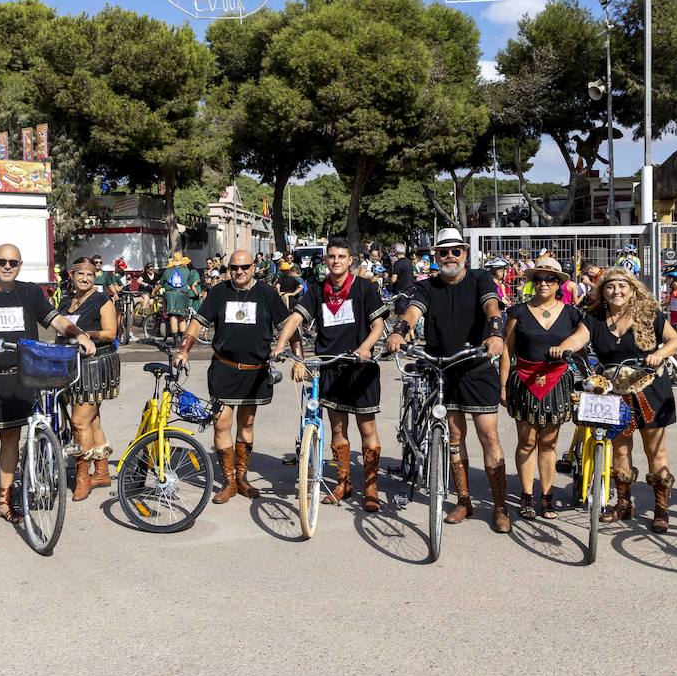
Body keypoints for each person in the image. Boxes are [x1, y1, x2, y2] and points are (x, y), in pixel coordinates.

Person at [0, 244, 96, 540]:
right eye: (2, 261)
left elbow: (55, 319)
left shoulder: (30, 292)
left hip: (21, 378)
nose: (7, 266)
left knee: (11, 441)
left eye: (13, 262)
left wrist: (78, 333)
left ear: (20, 264)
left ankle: (4, 502)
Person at [385, 228, 510, 533]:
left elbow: (491, 305)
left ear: (465, 253)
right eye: (444, 252)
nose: (450, 256)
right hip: (442, 367)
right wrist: (400, 330)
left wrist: (495, 331)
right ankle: (463, 500)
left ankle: (500, 506)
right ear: (436, 256)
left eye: (456, 251)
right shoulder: (427, 286)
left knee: (488, 436)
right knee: (454, 436)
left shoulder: (479, 278)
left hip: (477, 365)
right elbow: (414, 311)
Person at [553, 267, 677, 531]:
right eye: (610, 287)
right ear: (603, 291)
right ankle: (623, 503)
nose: (617, 291)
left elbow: (675, 340)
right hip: (614, 391)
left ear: (632, 289)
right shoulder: (595, 318)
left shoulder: (648, 315)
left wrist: (660, 354)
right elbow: (578, 339)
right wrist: (561, 348)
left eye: (622, 286)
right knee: (620, 449)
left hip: (649, 389)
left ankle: (661, 508)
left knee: (654, 451)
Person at [273, 237, 390, 511]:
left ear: (350, 261)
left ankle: (371, 487)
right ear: (325, 260)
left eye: (341, 256)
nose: (336, 261)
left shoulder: (364, 288)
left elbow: (378, 324)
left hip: (361, 368)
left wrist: (365, 347)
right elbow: (296, 318)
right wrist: (280, 346)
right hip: (330, 366)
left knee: (367, 428)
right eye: (331, 257)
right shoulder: (316, 290)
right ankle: (343, 481)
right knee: (337, 428)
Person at [175, 250, 290, 503]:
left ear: (253, 267)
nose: (239, 272)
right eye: (234, 268)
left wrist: (298, 358)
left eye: (244, 267)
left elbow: (288, 326)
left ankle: (242, 477)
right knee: (221, 423)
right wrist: (184, 350)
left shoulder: (267, 293)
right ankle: (228, 481)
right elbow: (198, 323)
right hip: (224, 368)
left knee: (246, 424)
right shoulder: (219, 292)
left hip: (255, 371)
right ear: (228, 269)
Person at [499, 256, 582, 521]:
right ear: (533, 282)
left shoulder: (571, 313)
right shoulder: (518, 312)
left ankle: (547, 497)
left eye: (550, 278)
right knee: (526, 442)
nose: (544, 283)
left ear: (560, 284)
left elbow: (586, 337)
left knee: (549, 443)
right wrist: (502, 385)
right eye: (539, 278)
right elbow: (506, 350)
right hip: (524, 380)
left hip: (557, 381)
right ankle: (526, 496)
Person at [55, 258, 121, 500]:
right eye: (80, 274)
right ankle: (102, 471)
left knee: (79, 422)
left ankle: (83, 475)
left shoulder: (102, 301)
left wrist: (84, 335)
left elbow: (110, 333)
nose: (85, 278)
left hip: (95, 365)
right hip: (71, 365)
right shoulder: (65, 301)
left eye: (90, 275)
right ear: (71, 275)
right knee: (91, 421)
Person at [160, 251, 201, 344]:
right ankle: (183, 341)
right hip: (182, 294)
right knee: (181, 317)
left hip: (170, 295)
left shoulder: (167, 271)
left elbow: (161, 283)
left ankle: (175, 342)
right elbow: (191, 284)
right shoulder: (187, 271)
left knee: (173, 317)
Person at [389, 243, 416, 313]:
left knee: (401, 317)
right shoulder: (409, 262)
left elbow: (393, 279)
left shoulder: (398, 263)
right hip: (410, 291)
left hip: (401, 293)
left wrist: (388, 280)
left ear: (395, 251)